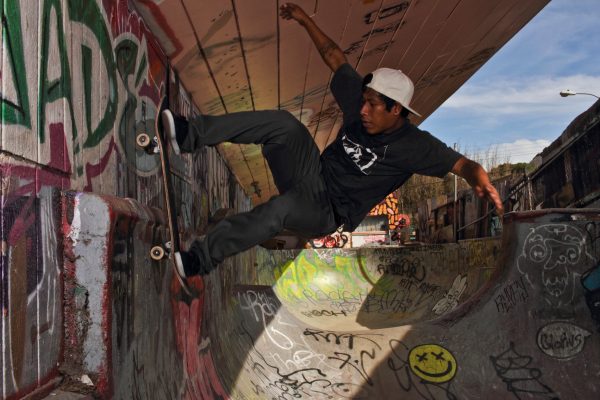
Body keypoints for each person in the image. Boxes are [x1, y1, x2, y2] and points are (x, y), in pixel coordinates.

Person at [161, 2, 504, 278]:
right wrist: (303, 18)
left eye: (372, 105)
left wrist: (481, 181)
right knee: (284, 124)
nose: (363, 110)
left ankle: (199, 261)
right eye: (364, 100)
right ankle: (189, 134)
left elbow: (463, 164)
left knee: (278, 210)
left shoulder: (416, 145)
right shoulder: (361, 103)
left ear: (396, 109)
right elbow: (334, 56)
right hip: (310, 173)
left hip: (326, 212)